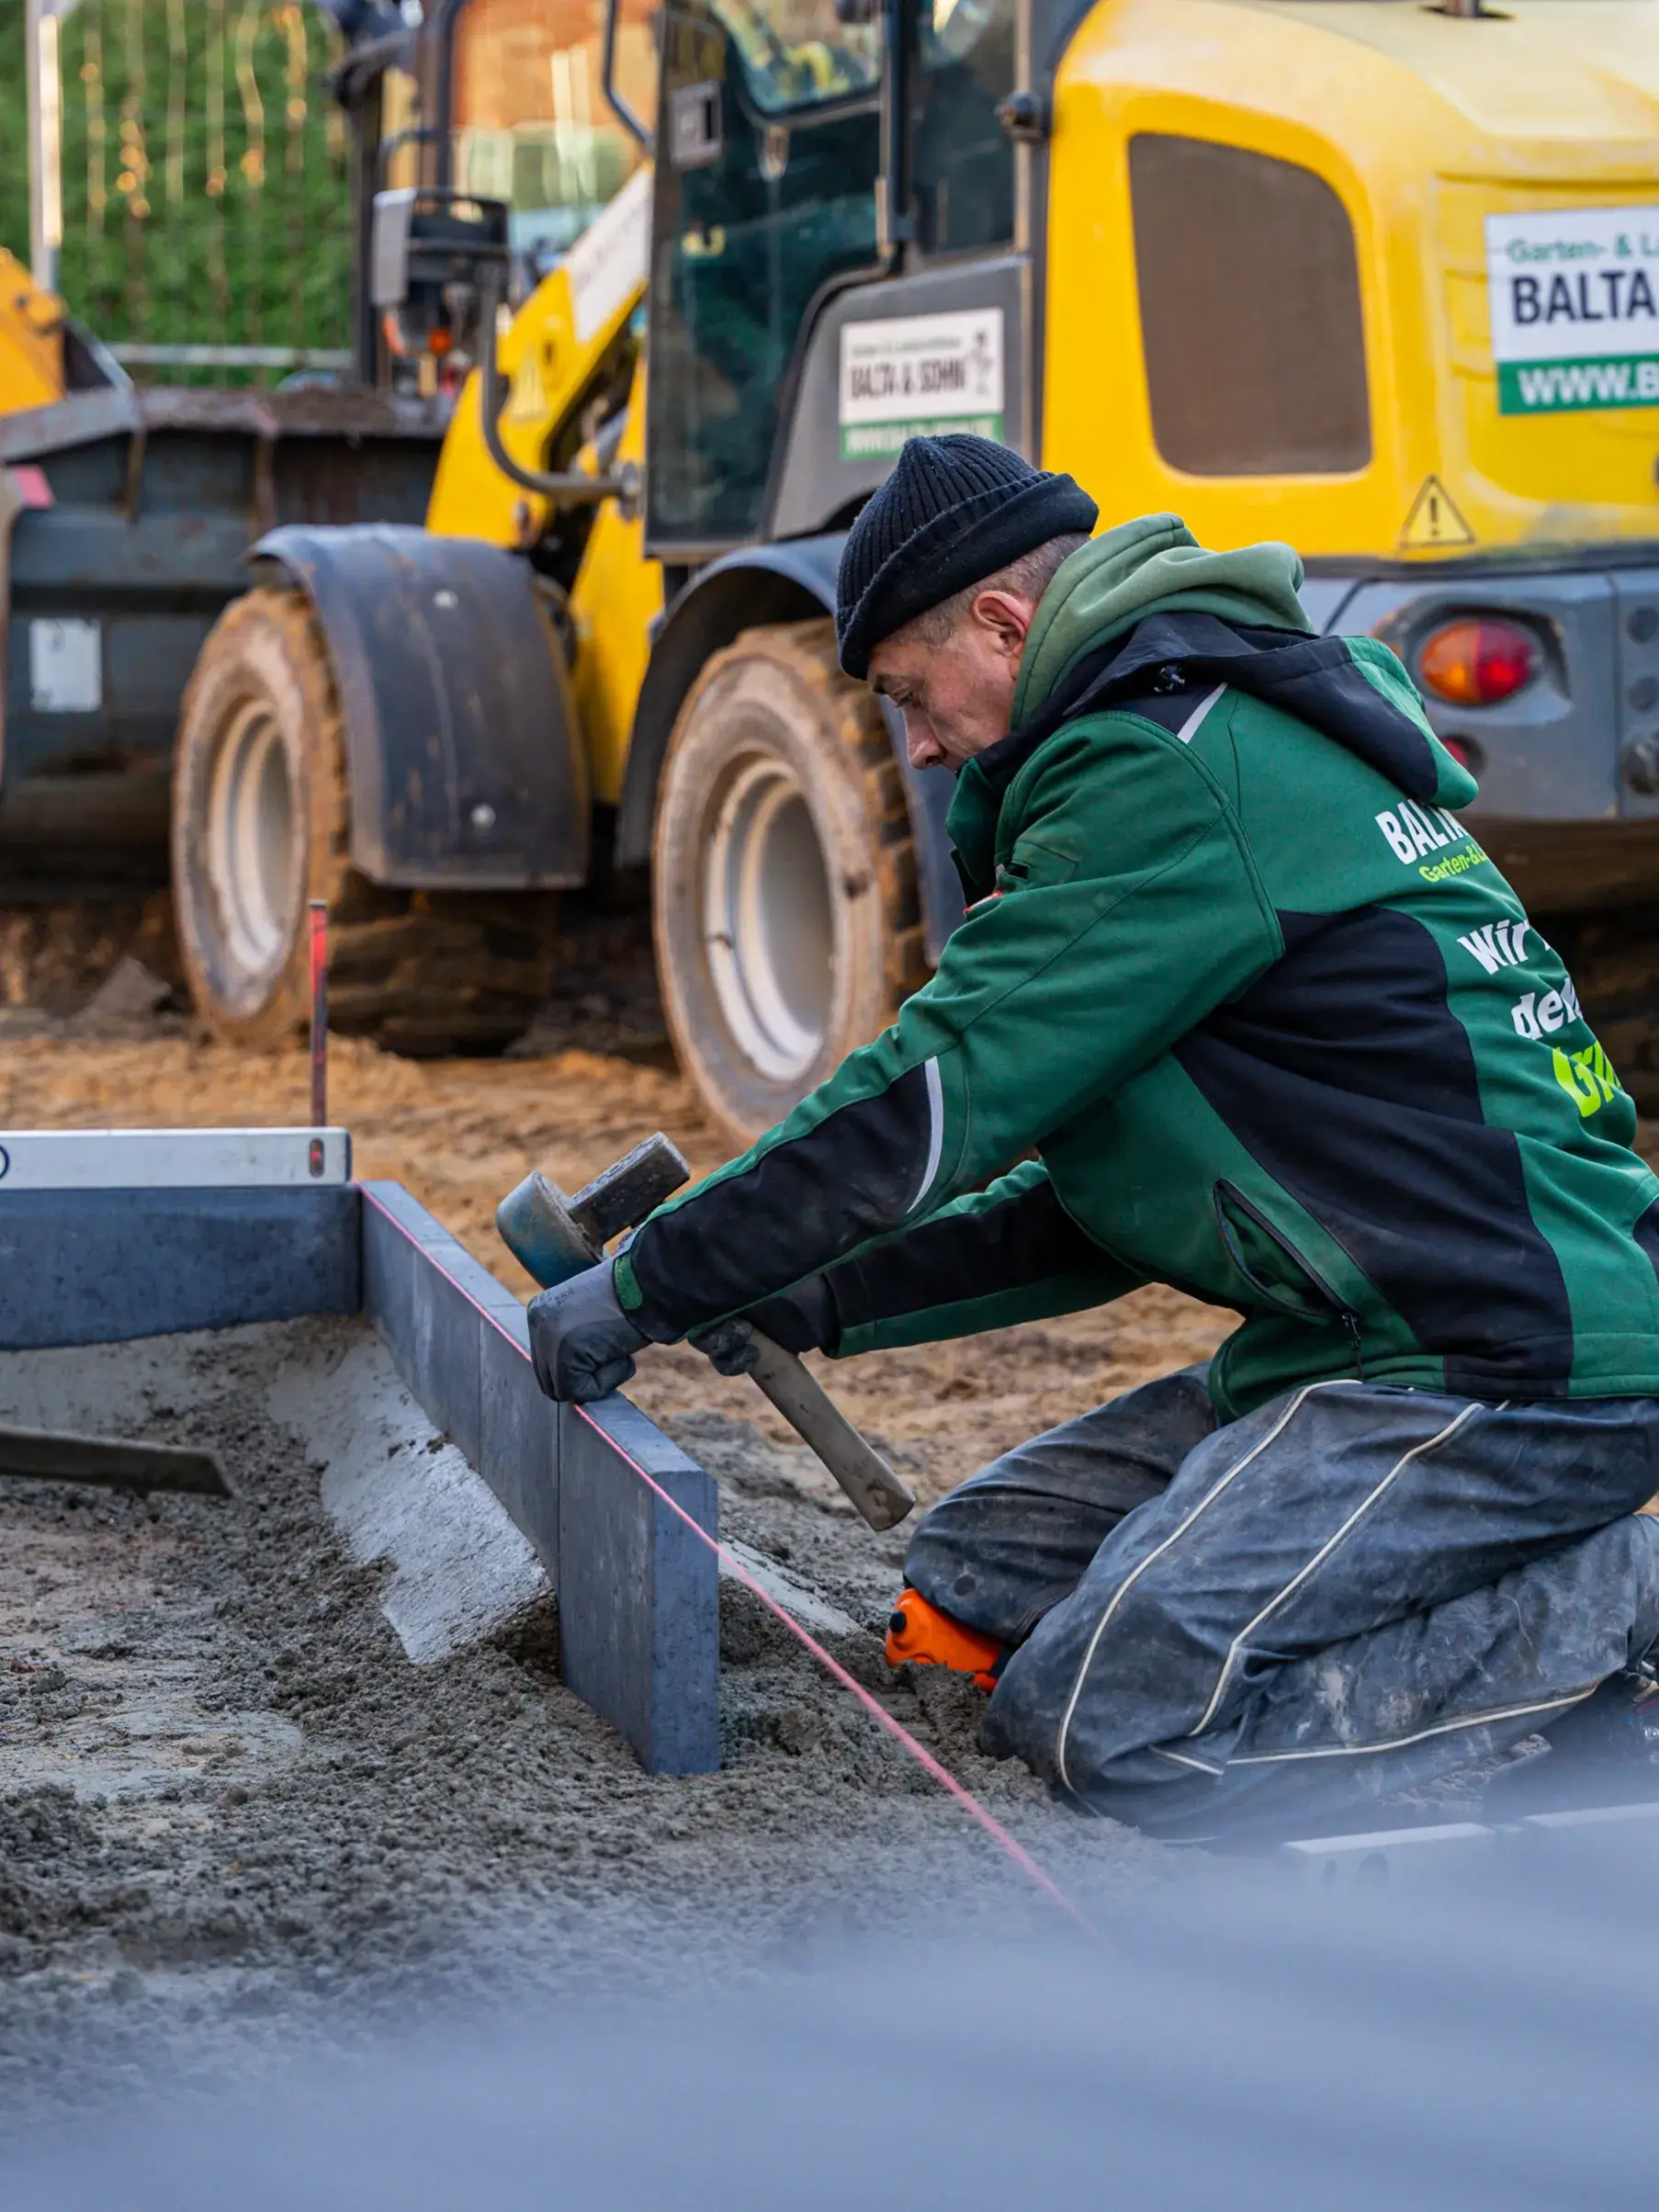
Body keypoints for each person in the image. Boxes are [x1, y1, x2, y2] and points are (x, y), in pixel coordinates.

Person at [528, 433, 1659, 1837]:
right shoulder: (1193, 745)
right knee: (975, 1576)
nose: (921, 744)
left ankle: (1617, 1610)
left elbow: (938, 1088)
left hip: (1508, 1366)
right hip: (1364, 1340)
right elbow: (1103, 1202)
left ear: (1001, 626)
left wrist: (650, 1281)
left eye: (909, 698)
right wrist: (816, 1288)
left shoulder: (1170, 770)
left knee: (1106, 1723)